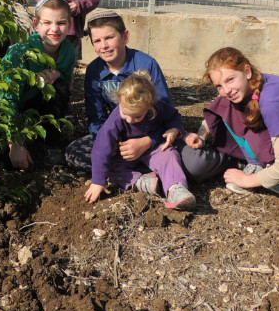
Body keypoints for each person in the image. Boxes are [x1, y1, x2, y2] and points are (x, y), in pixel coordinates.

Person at [180, 47, 279, 196]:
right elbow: (222, 108)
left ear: (247, 71)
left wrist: (248, 181)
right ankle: (256, 162)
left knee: (254, 133)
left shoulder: (272, 103)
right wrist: (201, 135)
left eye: (230, 80)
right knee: (225, 104)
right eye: (219, 86)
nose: (226, 90)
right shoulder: (247, 87)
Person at [64, 9, 173, 171]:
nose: (104, 46)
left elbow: (166, 112)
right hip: (117, 135)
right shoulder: (94, 71)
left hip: (148, 133)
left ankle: (133, 168)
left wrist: (148, 140)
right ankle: (141, 172)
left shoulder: (147, 65)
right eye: (97, 41)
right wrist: (107, 141)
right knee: (74, 154)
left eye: (109, 37)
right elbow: (95, 116)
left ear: (125, 37)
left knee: (182, 156)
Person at [84, 71, 197, 211]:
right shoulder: (115, 120)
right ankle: (140, 181)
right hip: (126, 152)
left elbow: (174, 116)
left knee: (169, 155)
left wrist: (174, 128)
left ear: (149, 106)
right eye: (125, 113)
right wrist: (98, 181)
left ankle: (176, 189)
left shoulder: (158, 107)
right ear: (119, 101)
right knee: (112, 167)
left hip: (153, 148)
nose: (130, 120)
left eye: (137, 116)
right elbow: (101, 147)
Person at [2, 0, 75, 170]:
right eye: (47, 23)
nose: (54, 29)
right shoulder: (20, 52)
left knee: (60, 89)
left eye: (61, 23)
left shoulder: (68, 51)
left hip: (38, 106)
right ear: (36, 24)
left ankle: (51, 143)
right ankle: (19, 136)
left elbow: (66, 79)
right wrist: (14, 142)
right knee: (3, 159)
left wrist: (57, 73)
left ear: (69, 25)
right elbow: (6, 97)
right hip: (13, 108)